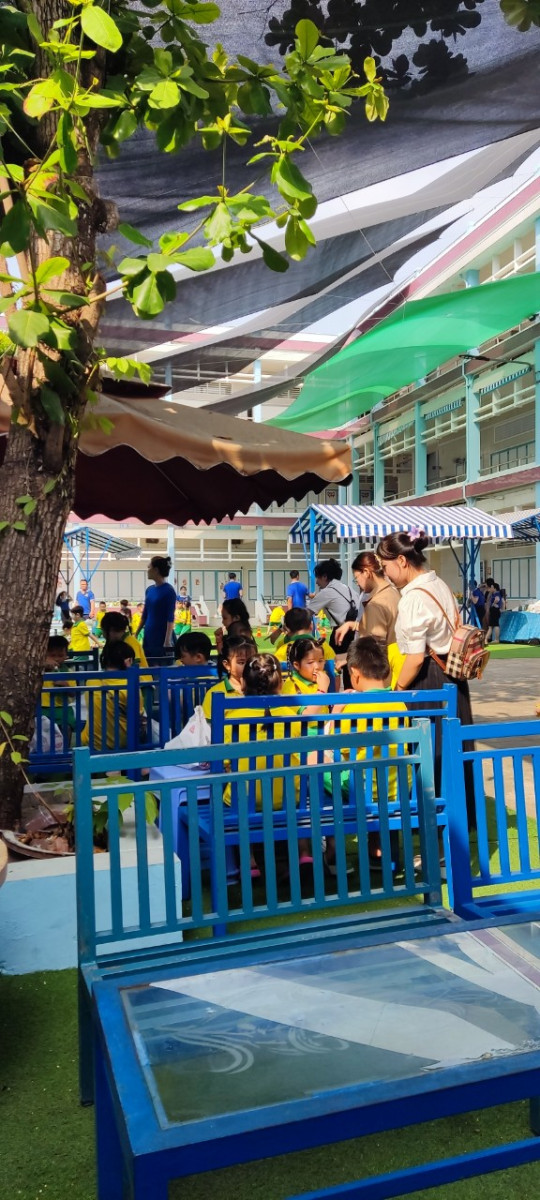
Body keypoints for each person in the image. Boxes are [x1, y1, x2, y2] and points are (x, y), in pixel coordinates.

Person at [376, 530, 476, 828]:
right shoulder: (438, 584)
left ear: (402, 561)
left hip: (427, 680)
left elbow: (415, 658)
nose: (385, 573)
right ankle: (455, 823)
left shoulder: (413, 597)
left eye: (385, 566)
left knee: (430, 755)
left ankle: (435, 829)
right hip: (452, 677)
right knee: (453, 751)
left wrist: (397, 689)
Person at [323, 638, 408, 872]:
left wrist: (336, 711)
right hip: (398, 788)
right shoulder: (399, 704)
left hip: (363, 791)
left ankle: (333, 852)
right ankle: (378, 849)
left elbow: (331, 745)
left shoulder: (353, 708)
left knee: (321, 771)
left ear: (355, 673)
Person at [82, 641, 143, 751]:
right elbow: (138, 718)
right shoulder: (130, 687)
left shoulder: (91, 681)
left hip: (90, 744)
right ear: (128, 661)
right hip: (119, 745)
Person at [335, 551, 399, 650]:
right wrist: (352, 625)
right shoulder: (393, 592)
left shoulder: (376, 604)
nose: (357, 583)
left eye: (356, 578)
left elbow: (375, 649)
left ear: (366, 572)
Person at [306, 558, 362, 652]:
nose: (316, 582)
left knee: (336, 660)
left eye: (318, 578)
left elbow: (305, 614)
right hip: (358, 632)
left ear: (324, 576)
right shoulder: (349, 589)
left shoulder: (326, 592)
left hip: (342, 635)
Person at [202, 635, 257, 722]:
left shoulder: (264, 688)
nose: (248, 666)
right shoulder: (214, 693)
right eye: (241, 662)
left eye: (253, 661)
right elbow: (208, 727)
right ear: (227, 665)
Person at [139, 555, 177, 665]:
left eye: (149, 567)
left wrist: (167, 641)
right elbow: (145, 614)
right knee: (148, 666)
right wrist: (136, 633)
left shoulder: (169, 590)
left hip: (162, 636)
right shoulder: (149, 590)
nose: (147, 569)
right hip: (149, 635)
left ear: (156, 570)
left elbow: (170, 617)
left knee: (164, 668)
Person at [282, 637, 330, 714]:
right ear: (297, 665)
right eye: (310, 662)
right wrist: (322, 690)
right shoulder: (291, 686)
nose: (317, 666)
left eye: (320, 661)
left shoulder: (322, 679)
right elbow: (307, 715)